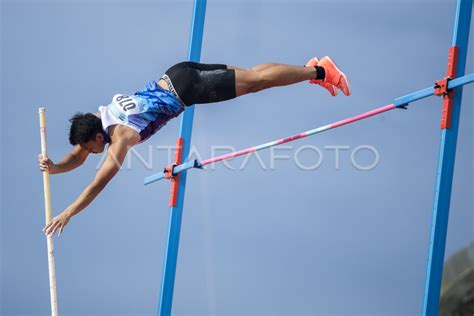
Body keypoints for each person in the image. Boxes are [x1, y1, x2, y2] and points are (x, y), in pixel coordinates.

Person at [40, 56, 351, 236]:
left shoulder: (119, 140)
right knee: (255, 77)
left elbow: (97, 184)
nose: (91, 153)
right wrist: (55, 168)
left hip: (187, 89)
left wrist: (68, 212)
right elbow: (76, 157)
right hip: (176, 73)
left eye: (91, 148)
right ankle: (312, 69)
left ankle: (321, 71)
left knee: (257, 83)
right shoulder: (99, 118)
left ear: (98, 138)